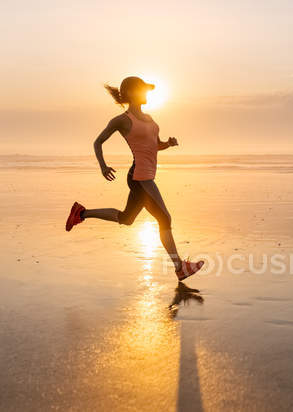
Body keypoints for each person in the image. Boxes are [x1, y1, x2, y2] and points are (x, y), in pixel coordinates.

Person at [65, 76, 204, 281]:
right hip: (140, 178)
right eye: (143, 90)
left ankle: (81, 213)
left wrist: (168, 143)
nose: (147, 94)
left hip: (145, 176)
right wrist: (103, 166)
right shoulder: (122, 120)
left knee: (126, 219)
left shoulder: (149, 119)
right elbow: (98, 142)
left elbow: (155, 146)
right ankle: (179, 267)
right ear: (131, 93)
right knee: (165, 218)